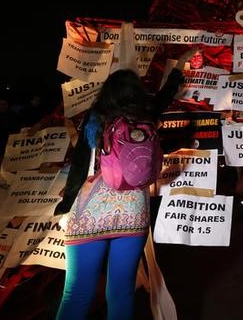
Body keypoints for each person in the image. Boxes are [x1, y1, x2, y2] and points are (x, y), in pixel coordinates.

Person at [54, 67, 183, 320]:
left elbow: (81, 166)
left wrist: (65, 204)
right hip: (133, 214)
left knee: (77, 293)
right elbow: (165, 95)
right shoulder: (146, 115)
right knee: (121, 292)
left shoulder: (96, 117)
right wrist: (177, 73)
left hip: (90, 215)